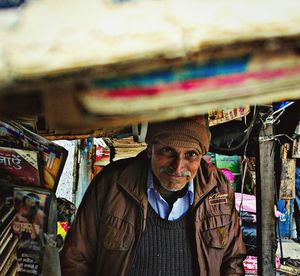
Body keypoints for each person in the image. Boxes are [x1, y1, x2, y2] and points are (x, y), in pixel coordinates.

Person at [60, 115, 246, 276]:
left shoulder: (218, 190)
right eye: (168, 151)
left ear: (201, 157)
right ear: (150, 149)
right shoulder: (111, 183)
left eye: (190, 154)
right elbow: (76, 259)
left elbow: (233, 262)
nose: (178, 167)